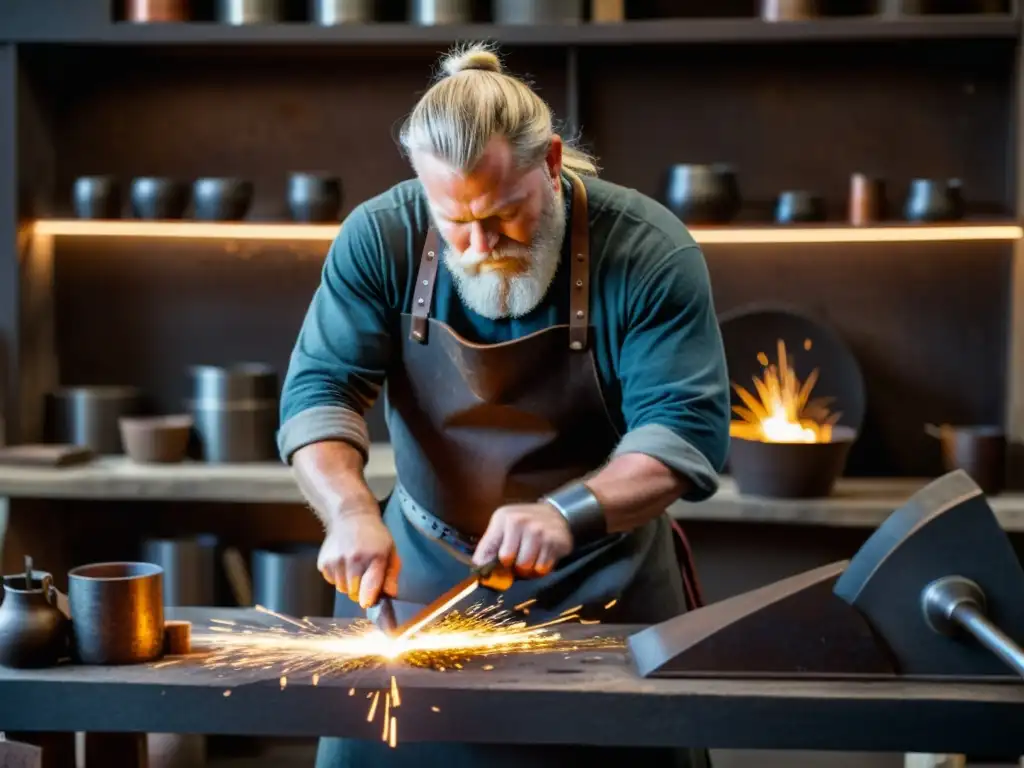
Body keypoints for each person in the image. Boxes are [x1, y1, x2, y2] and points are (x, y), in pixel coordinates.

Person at [278, 41, 730, 768]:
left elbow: (683, 433)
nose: (481, 244)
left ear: (550, 162)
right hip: (421, 582)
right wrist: (350, 512)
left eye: (503, 215)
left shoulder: (647, 250)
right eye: (453, 221)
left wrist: (564, 513)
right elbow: (318, 391)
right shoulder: (380, 235)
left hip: (605, 586)